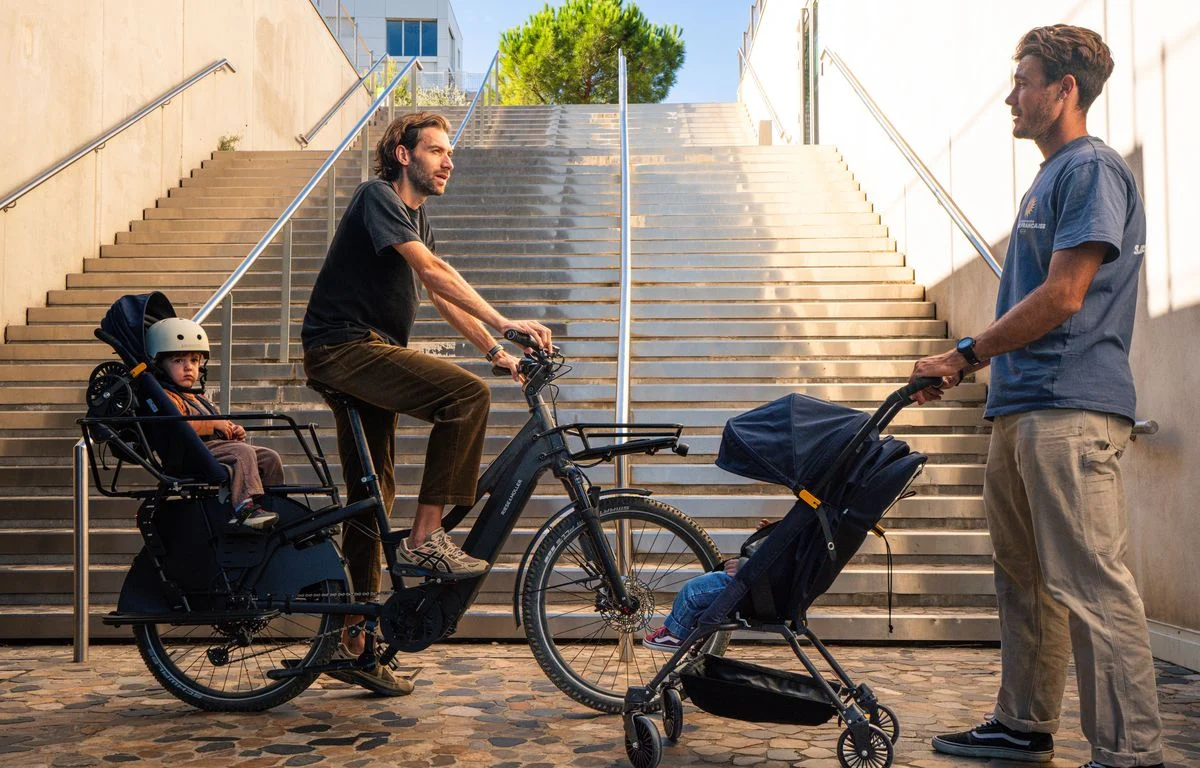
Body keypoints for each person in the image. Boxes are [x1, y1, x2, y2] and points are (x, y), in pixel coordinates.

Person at [910, 25, 1163, 768]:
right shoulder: (1051, 177)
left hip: (1069, 409)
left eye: (1023, 81)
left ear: (1064, 90)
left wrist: (964, 353)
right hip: (1021, 408)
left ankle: (1130, 755)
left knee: (1092, 588)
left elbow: (1064, 295)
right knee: (1023, 583)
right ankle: (1023, 724)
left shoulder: (1090, 170)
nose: (1010, 97)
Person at [301, 112, 552, 694]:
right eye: (437, 150)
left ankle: (354, 640)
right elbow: (434, 273)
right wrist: (506, 321)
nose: (448, 161)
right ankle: (425, 539)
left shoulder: (415, 218)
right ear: (403, 152)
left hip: (364, 352)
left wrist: (494, 348)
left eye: (450, 153)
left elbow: (442, 299)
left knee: (370, 497)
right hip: (343, 348)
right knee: (464, 397)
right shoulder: (377, 197)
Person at [146, 317, 281, 530]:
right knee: (242, 453)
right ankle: (244, 508)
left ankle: (272, 504)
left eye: (194, 360)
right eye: (178, 361)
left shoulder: (198, 397)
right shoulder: (167, 397)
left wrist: (231, 430)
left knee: (268, 457)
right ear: (160, 365)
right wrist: (212, 424)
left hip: (214, 448)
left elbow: (219, 423)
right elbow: (175, 428)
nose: (188, 367)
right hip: (191, 454)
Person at [643, 520, 770, 651]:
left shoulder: (793, 525)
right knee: (705, 583)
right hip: (762, 582)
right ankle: (676, 630)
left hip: (755, 585)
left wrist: (746, 567)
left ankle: (676, 634)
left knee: (693, 591)